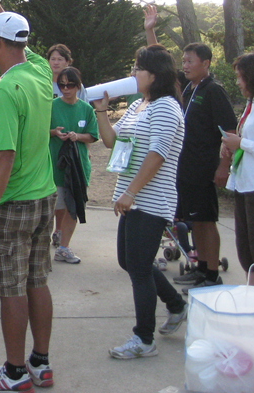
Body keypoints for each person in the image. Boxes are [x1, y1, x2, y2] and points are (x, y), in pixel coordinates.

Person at [0, 0, 56, 393]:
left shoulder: (4, 90)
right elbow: (14, 35)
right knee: (37, 281)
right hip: (44, 198)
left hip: (12, 203)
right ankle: (40, 363)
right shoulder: (39, 70)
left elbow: (3, 155)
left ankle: (14, 372)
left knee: (11, 288)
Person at [94, 44, 189, 360]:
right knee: (130, 262)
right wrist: (101, 111)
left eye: (138, 68)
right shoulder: (139, 105)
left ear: (155, 74)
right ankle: (176, 304)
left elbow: (158, 154)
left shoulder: (166, 107)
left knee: (138, 268)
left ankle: (144, 339)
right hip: (133, 199)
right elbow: (111, 141)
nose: (133, 73)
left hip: (151, 200)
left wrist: (131, 192)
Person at [144, 7, 237, 290]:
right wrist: (150, 30)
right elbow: (160, 63)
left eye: (190, 61)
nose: (184, 66)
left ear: (205, 63)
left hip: (203, 168)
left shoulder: (213, 90)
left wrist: (223, 167)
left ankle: (211, 274)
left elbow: (230, 132)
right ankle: (200, 267)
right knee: (194, 221)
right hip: (184, 168)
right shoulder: (187, 87)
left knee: (206, 221)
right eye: (183, 61)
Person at [49, 67, 98, 264]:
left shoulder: (86, 109)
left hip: (78, 167)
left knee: (73, 208)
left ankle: (63, 247)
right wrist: (54, 132)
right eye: (62, 85)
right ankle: (41, 248)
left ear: (78, 86)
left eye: (70, 85)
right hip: (54, 166)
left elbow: (93, 135)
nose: (66, 89)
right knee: (50, 208)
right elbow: (39, 130)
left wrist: (77, 136)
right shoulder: (51, 106)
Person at [222, 52, 254, 285]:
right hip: (243, 184)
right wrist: (230, 147)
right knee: (246, 251)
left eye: (240, 77)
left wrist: (241, 144)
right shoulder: (251, 104)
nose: (237, 82)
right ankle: (251, 296)